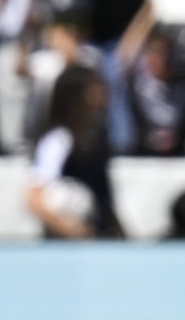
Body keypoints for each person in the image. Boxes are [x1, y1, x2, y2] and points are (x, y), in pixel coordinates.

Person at [26, 63, 125, 240]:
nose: (102, 93)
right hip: (68, 246)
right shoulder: (59, 140)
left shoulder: (97, 139)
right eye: (95, 87)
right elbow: (35, 198)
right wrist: (72, 230)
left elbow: (103, 198)